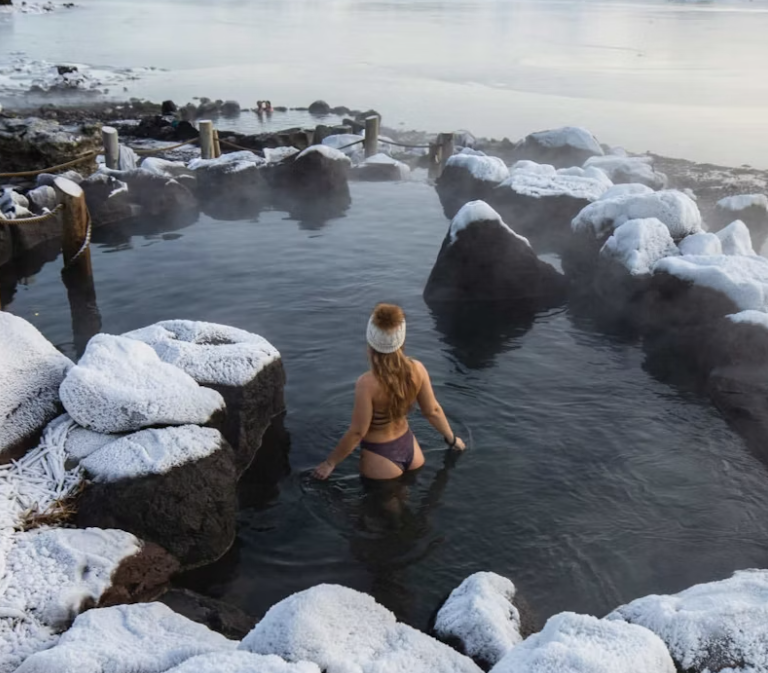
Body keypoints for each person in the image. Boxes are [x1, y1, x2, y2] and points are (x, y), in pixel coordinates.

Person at [313, 304, 466, 481]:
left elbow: (357, 432)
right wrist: (453, 440)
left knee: (379, 508)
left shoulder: (367, 383)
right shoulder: (418, 369)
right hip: (412, 451)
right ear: (402, 339)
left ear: (370, 340)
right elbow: (433, 411)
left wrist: (330, 463)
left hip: (380, 458)